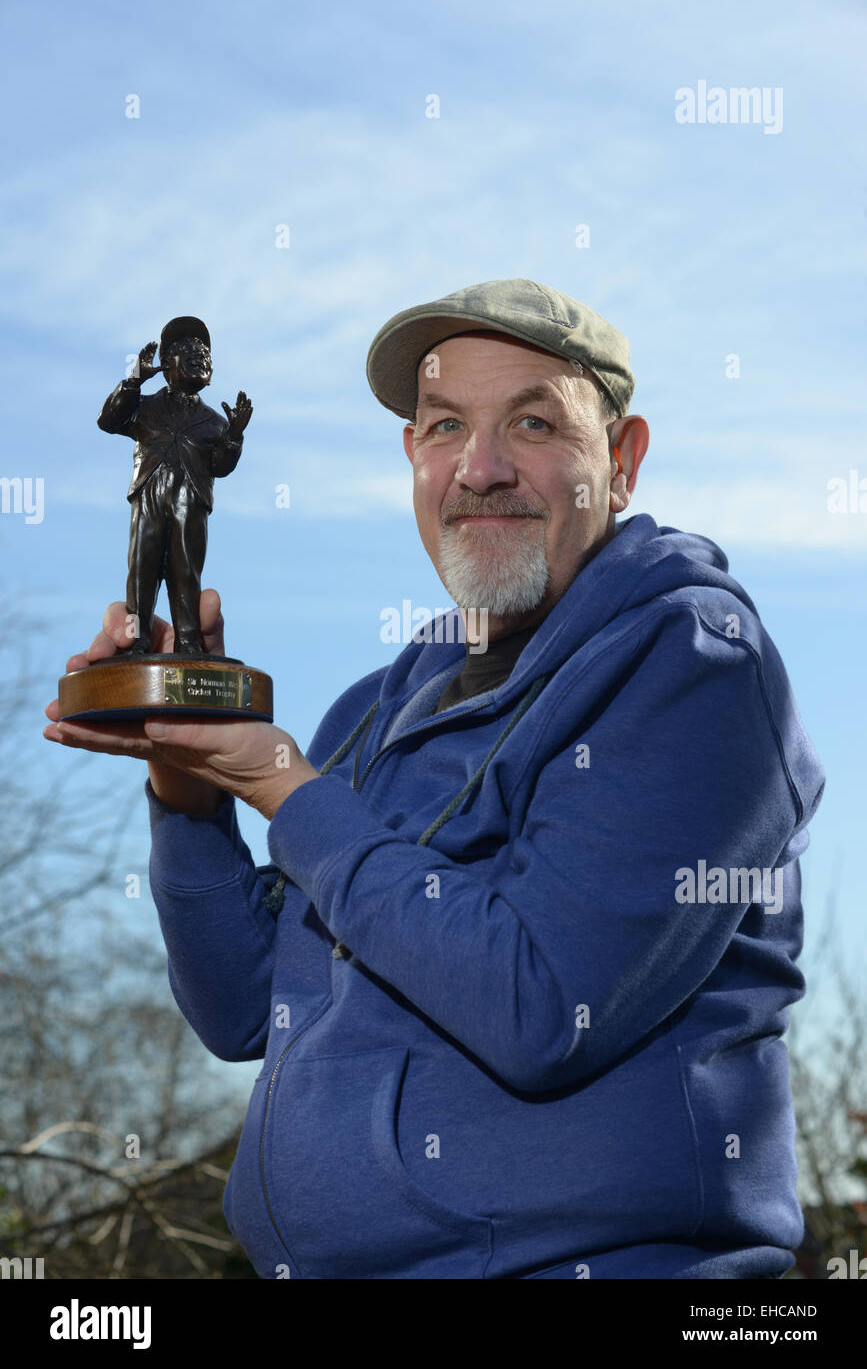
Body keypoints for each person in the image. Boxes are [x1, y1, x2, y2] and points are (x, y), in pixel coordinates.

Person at [45, 278, 825, 1279]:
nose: (482, 467)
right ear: (413, 457)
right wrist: (188, 784)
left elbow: (546, 1006)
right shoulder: (376, 709)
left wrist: (289, 788)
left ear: (620, 463)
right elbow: (244, 1008)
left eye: (534, 422)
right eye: (446, 424)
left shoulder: (696, 666)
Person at [96, 315, 252, 655]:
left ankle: (190, 644)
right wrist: (134, 381)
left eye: (206, 357)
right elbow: (108, 421)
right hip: (149, 498)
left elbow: (220, 467)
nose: (201, 359)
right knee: (142, 572)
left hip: (191, 504)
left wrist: (235, 435)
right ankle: (138, 641)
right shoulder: (144, 405)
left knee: (187, 576)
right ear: (166, 364)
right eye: (191, 355)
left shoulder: (214, 421)